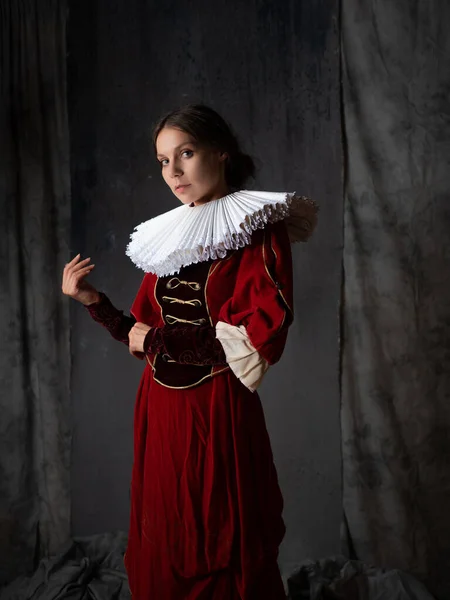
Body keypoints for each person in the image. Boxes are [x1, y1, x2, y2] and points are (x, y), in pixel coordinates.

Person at [62, 104, 317, 599]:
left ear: (221, 153)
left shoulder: (256, 230)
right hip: (160, 409)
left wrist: (155, 340)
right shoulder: (173, 235)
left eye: (186, 153)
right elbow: (141, 330)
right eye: (162, 161)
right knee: (167, 533)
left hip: (217, 409)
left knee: (221, 533)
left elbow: (254, 340)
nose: (173, 172)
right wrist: (94, 302)